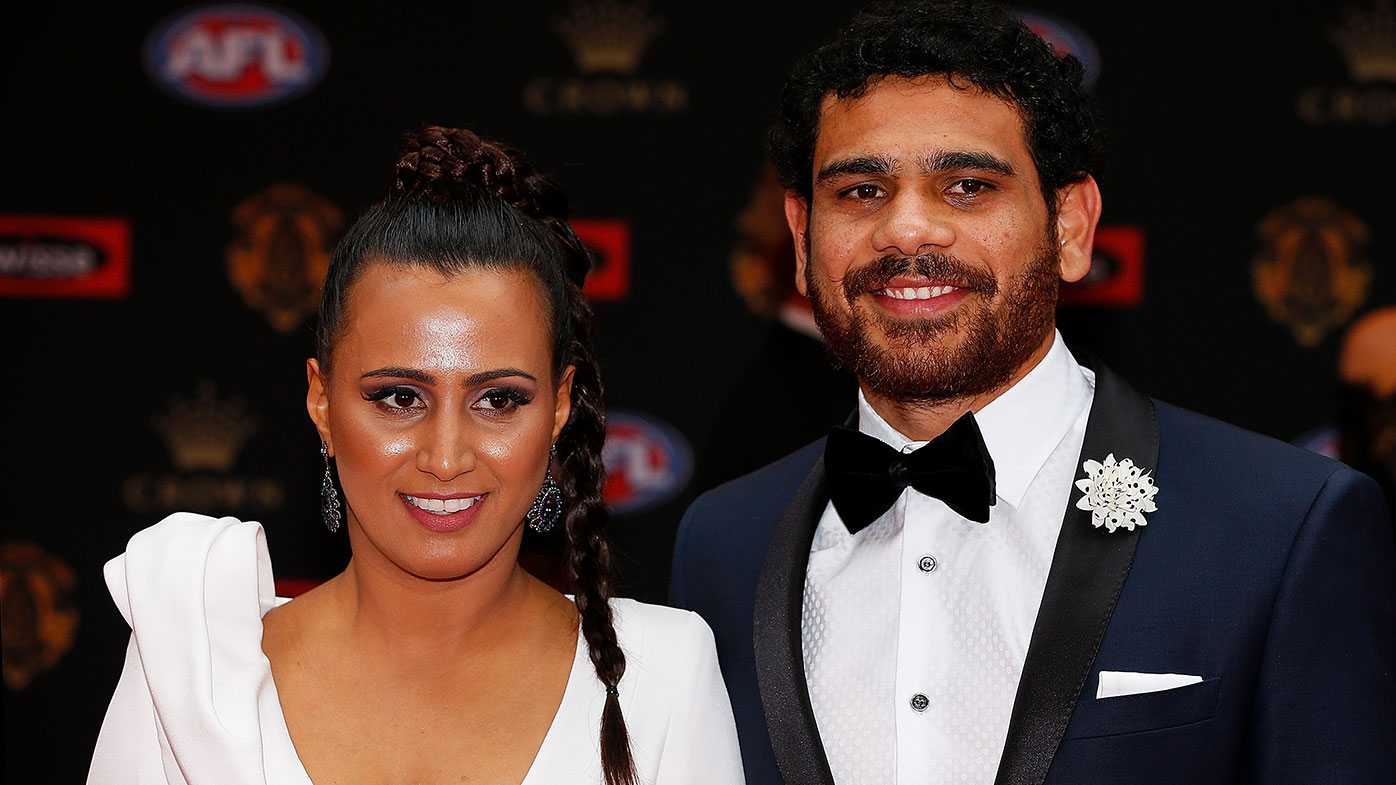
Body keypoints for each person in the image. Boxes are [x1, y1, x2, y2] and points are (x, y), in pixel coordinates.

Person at [670, 3, 1396, 785]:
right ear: (801, 235)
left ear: (1070, 226)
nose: (906, 230)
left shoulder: (1281, 527)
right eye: (861, 191)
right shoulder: (723, 542)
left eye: (968, 185)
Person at [89, 127, 745, 785]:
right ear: (321, 401)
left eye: (498, 399)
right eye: (400, 397)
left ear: (558, 408)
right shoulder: (189, 669)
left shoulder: (666, 676)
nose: (446, 456)